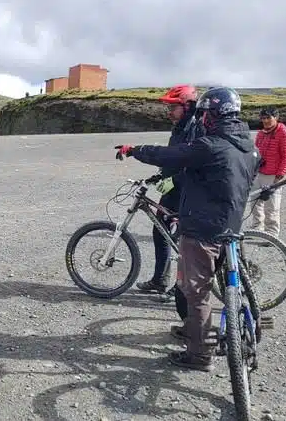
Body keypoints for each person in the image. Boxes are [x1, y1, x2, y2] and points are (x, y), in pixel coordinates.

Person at [115, 86, 262, 372]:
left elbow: (172, 155)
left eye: (205, 113)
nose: (202, 118)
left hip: (202, 229)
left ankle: (199, 355)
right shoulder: (250, 148)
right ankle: (202, 330)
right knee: (220, 286)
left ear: (213, 114)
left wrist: (135, 150)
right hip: (231, 226)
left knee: (196, 293)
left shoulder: (210, 145)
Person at [136, 85, 198, 299]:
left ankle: (181, 288)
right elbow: (172, 157)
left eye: (173, 107)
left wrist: (171, 177)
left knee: (184, 240)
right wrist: (161, 176)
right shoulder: (179, 127)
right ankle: (160, 280)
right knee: (160, 230)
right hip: (172, 187)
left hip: (188, 190)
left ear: (187, 106)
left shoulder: (195, 127)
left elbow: (189, 163)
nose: (169, 112)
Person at [250, 106, 286, 237]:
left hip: (273, 175)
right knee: (255, 202)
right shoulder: (260, 133)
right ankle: (257, 229)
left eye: (269, 117)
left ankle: (271, 234)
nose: (266, 121)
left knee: (272, 206)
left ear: (276, 117)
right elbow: (255, 153)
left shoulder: (283, 133)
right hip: (259, 173)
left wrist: (279, 176)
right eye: (263, 118)